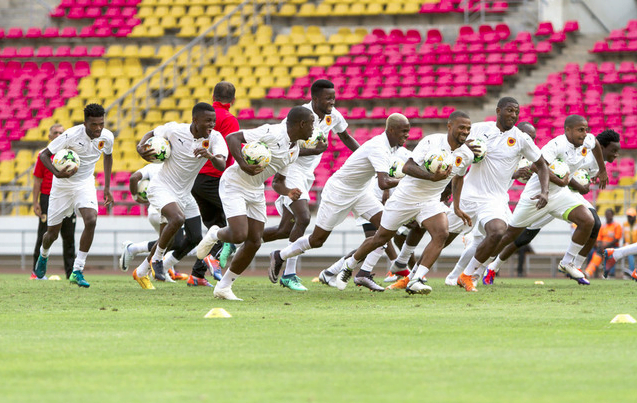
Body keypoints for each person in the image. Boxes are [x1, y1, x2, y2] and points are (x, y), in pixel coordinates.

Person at [332, 111, 475, 294]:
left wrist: (456, 206)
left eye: (468, 128)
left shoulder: (466, 154)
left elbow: (459, 178)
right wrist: (432, 177)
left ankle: (416, 279)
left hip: (430, 200)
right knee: (380, 238)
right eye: (462, 127)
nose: (465, 132)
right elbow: (408, 167)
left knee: (441, 233)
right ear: (449, 126)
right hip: (405, 197)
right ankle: (349, 265)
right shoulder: (431, 142)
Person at [267, 113, 411, 291]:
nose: (407, 135)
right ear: (392, 130)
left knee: (386, 229)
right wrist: (407, 180)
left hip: (360, 192)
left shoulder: (391, 147)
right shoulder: (379, 147)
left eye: (408, 131)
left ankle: (362, 273)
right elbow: (383, 182)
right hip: (339, 192)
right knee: (317, 240)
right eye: (404, 131)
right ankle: (280, 255)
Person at [195, 106, 314, 300]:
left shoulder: (295, 149)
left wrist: (288, 192)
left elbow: (278, 182)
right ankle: (215, 234)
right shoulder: (272, 132)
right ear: (302, 124)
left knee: (255, 241)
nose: (313, 128)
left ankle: (224, 287)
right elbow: (232, 138)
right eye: (311, 124)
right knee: (239, 234)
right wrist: (244, 165)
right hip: (235, 183)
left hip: (256, 190)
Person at [484, 129, 620, 283]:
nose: (616, 154)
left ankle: (575, 265)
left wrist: (595, 175)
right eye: (613, 150)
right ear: (602, 147)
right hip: (553, 191)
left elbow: (589, 158)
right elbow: (562, 171)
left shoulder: (600, 159)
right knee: (523, 238)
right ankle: (492, 266)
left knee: (594, 223)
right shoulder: (583, 153)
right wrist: (579, 185)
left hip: (566, 195)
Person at [261, 79, 359, 291]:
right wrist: (314, 151)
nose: (332, 101)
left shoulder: (333, 116)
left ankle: (239, 240)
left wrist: (365, 156)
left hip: (307, 174)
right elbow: (283, 149)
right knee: (304, 218)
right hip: (290, 168)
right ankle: (289, 274)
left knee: (284, 229)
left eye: (333, 97)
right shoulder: (300, 116)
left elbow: (346, 137)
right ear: (315, 99)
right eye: (327, 98)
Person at [133, 102, 228, 289]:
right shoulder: (175, 130)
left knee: (194, 237)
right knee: (177, 219)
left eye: (213, 121)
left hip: (185, 194)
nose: (212, 124)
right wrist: (140, 147)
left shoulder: (215, 138)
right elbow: (152, 133)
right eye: (208, 121)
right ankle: (157, 259)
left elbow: (221, 164)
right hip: (162, 187)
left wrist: (209, 156)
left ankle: (142, 271)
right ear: (195, 120)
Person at [443, 121, 537, 287]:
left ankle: (468, 274)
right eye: (528, 136)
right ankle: (424, 272)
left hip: (496, 201)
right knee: (445, 236)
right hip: (475, 196)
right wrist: (515, 174)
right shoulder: (502, 145)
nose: (530, 140)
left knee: (494, 237)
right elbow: (492, 169)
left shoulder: (523, 156)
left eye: (533, 138)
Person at [34, 104, 114, 288]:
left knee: (91, 219)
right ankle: (44, 255)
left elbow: (108, 156)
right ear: (85, 123)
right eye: (94, 124)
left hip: (84, 183)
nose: (98, 128)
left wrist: (107, 187)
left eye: (101, 124)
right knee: (52, 234)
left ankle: (77, 270)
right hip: (62, 186)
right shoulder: (71, 135)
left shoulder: (107, 136)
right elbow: (44, 155)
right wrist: (57, 173)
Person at [191, 81, 241, 278]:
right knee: (236, 223)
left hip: (197, 180)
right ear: (233, 100)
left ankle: (197, 275)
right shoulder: (229, 120)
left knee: (215, 228)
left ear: (213, 97)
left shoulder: (203, 117)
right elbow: (231, 150)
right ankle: (215, 258)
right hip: (215, 179)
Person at [119, 163, 189, 281]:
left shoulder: (151, 167)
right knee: (173, 241)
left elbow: (134, 178)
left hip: (153, 211)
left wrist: (135, 197)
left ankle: (164, 270)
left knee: (167, 241)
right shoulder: (174, 166)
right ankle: (133, 249)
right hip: (167, 209)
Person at [31, 123, 76, 280]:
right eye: (55, 133)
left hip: (68, 197)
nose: (58, 135)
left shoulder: (71, 155)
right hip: (47, 198)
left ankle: (71, 273)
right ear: (50, 136)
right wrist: (35, 202)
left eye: (61, 133)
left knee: (69, 237)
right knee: (43, 235)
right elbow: (37, 180)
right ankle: (36, 272)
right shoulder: (44, 155)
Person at [585, 208, 621, 277]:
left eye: (609, 215)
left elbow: (616, 239)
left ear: (612, 215)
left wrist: (605, 246)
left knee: (610, 254)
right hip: (603, 247)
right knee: (596, 254)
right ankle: (588, 272)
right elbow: (599, 238)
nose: (608, 216)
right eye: (607, 215)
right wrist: (600, 245)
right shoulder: (603, 226)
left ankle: (610, 274)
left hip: (613, 246)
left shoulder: (617, 225)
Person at [620, 208, 637, 278]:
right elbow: (624, 238)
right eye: (628, 217)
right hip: (628, 246)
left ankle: (632, 272)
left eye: (631, 217)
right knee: (630, 254)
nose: (629, 218)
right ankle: (632, 272)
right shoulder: (625, 224)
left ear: (634, 217)